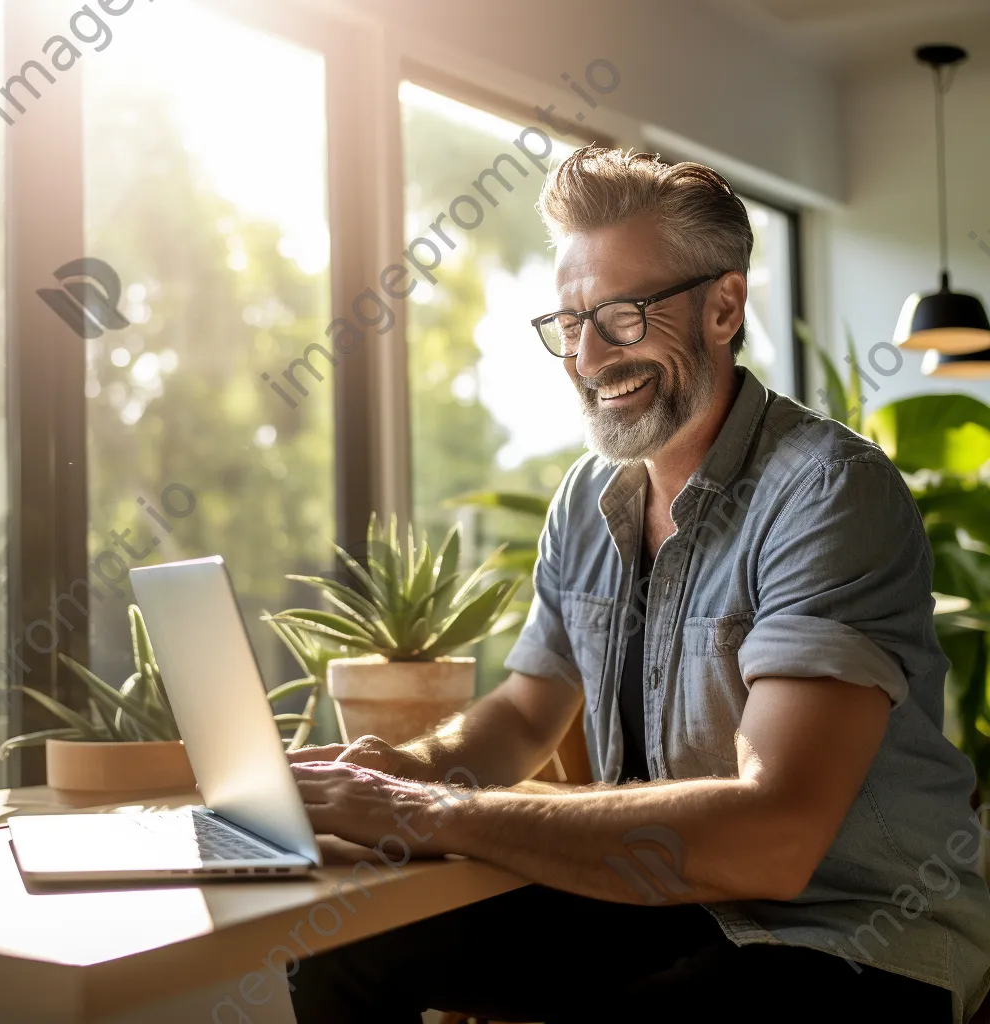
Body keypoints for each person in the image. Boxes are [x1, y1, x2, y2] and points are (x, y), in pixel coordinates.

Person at [286, 148, 990, 1024]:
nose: (586, 357)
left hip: (850, 936)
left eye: (620, 316)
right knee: (338, 951)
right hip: (667, 905)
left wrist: (431, 811)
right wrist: (395, 770)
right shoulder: (587, 498)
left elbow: (775, 836)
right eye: (570, 321)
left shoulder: (827, 491)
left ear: (724, 306)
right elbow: (521, 712)